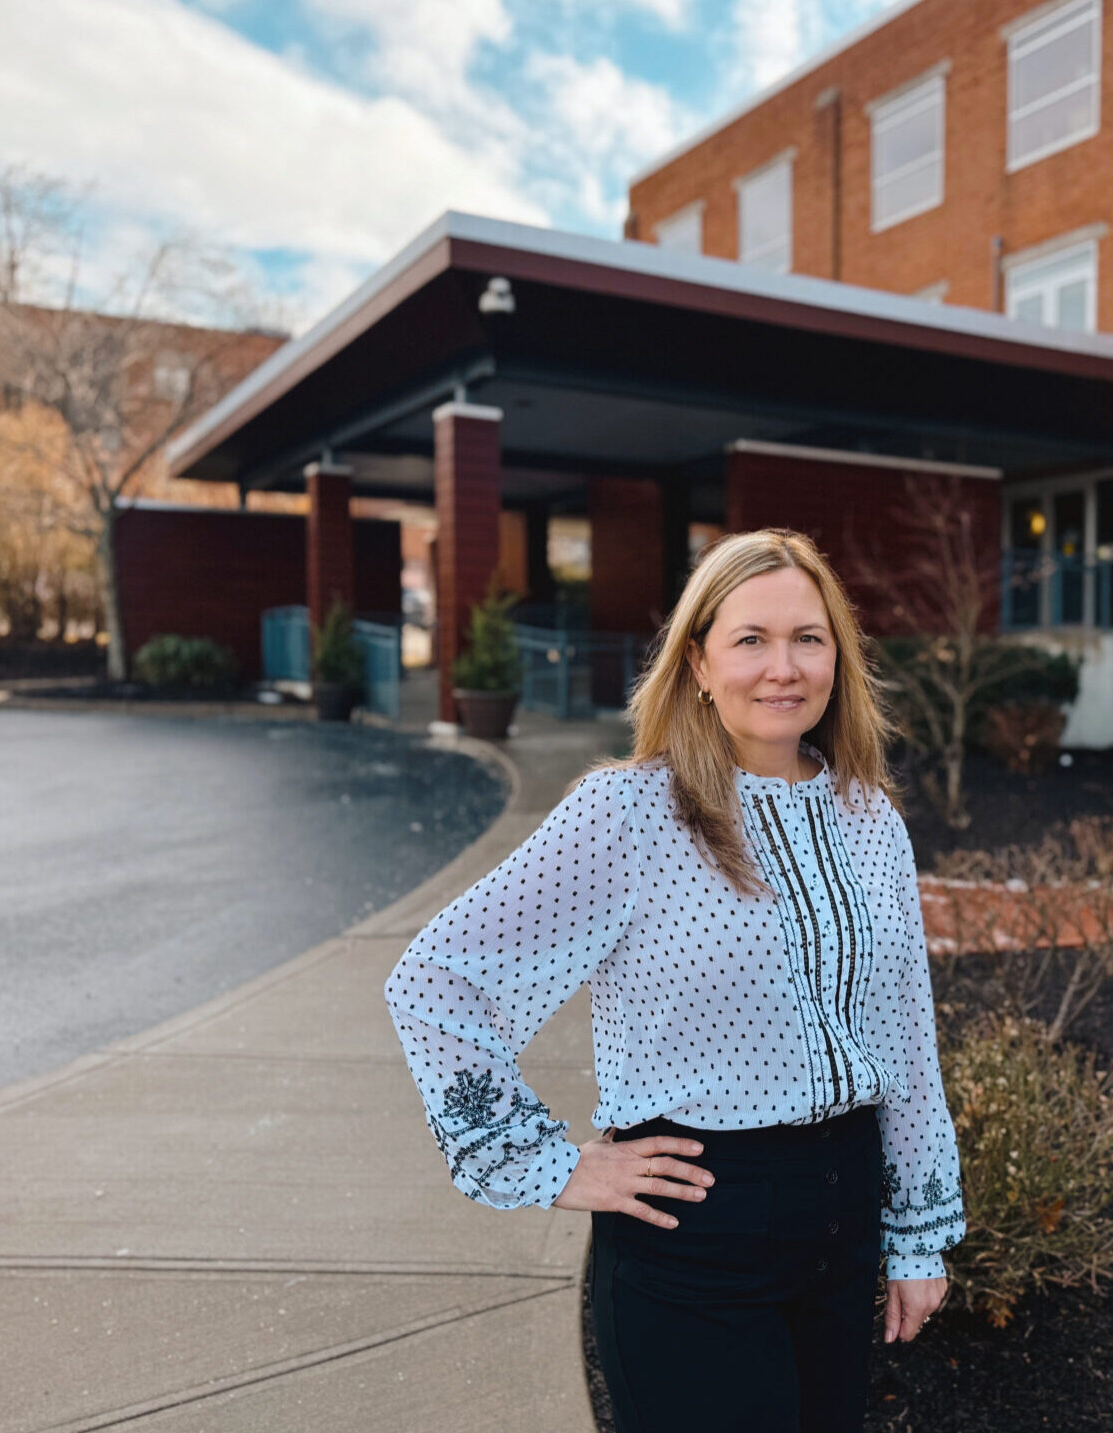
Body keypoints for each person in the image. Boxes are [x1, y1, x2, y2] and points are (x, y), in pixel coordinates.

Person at [383, 528, 964, 1433]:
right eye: (751, 639)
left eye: (810, 638)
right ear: (697, 660)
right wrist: (546, 1161)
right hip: (695, 1229)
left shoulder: (869, 817)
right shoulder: (629, 814)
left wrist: (917, 1233)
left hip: (843, 1224)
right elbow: (437, 981)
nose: (785, 667)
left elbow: (904, 1041)